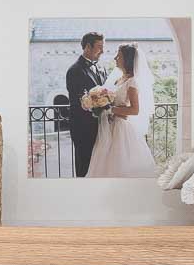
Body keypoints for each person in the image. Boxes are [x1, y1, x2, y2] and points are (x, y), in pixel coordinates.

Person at [86, 44, 156, 179]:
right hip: (110, 126)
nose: (115, 58)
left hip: (121, 128)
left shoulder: (132, 82)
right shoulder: (119, 79)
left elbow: (135, 110)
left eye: (119, 56)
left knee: (120, 162)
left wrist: (110, 109)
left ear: (127, 59)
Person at [64, 32, 105, 178]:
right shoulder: (74, 70)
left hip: (101, 127)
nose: (103, 51)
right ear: (88, 46)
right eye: (99, 47)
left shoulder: (101, 68)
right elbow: (79, 101)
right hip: (83, 129)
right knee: (84, 167)